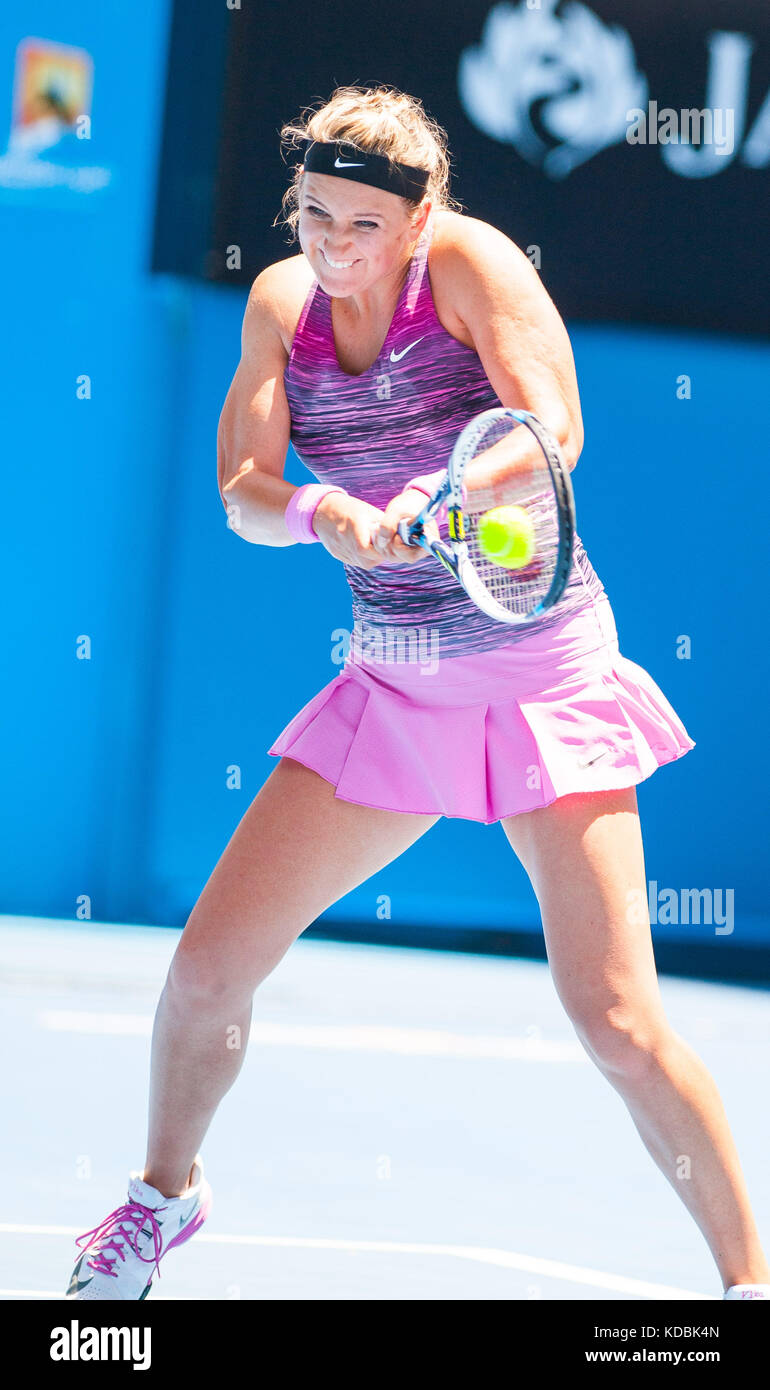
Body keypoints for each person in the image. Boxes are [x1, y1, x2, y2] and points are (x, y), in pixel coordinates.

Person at [66, 84, 769, 1301]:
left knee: (613, 1021)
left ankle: (747, 1286)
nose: (331, 250)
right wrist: (321, 513)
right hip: (394, 687)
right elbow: (243, 487)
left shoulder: (472, 268)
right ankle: (160, 1201)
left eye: (360, 228)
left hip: (545, 677)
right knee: (206, 972)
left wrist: (453, 496)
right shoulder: (282, 305)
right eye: (312, 217)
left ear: (419, 214)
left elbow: (555, 424)